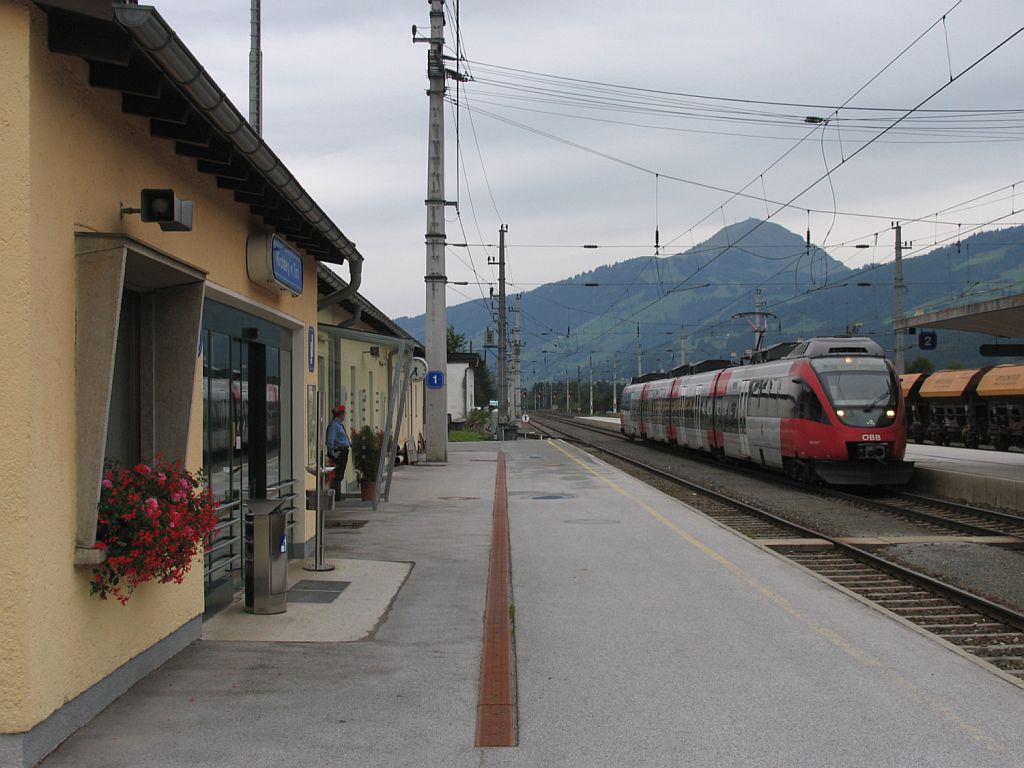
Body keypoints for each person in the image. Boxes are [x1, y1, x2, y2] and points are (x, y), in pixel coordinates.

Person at [326, 404, 350, 500]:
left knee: (340, 474)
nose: (344, 416)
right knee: (337, 474)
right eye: (344, 414)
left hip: (342, 451)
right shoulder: (334, 426)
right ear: (340, 415)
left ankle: (337, 495)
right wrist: (332, 453)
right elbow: (330, 440)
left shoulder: (338, 425)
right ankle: (336, 497)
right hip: (338, 452)